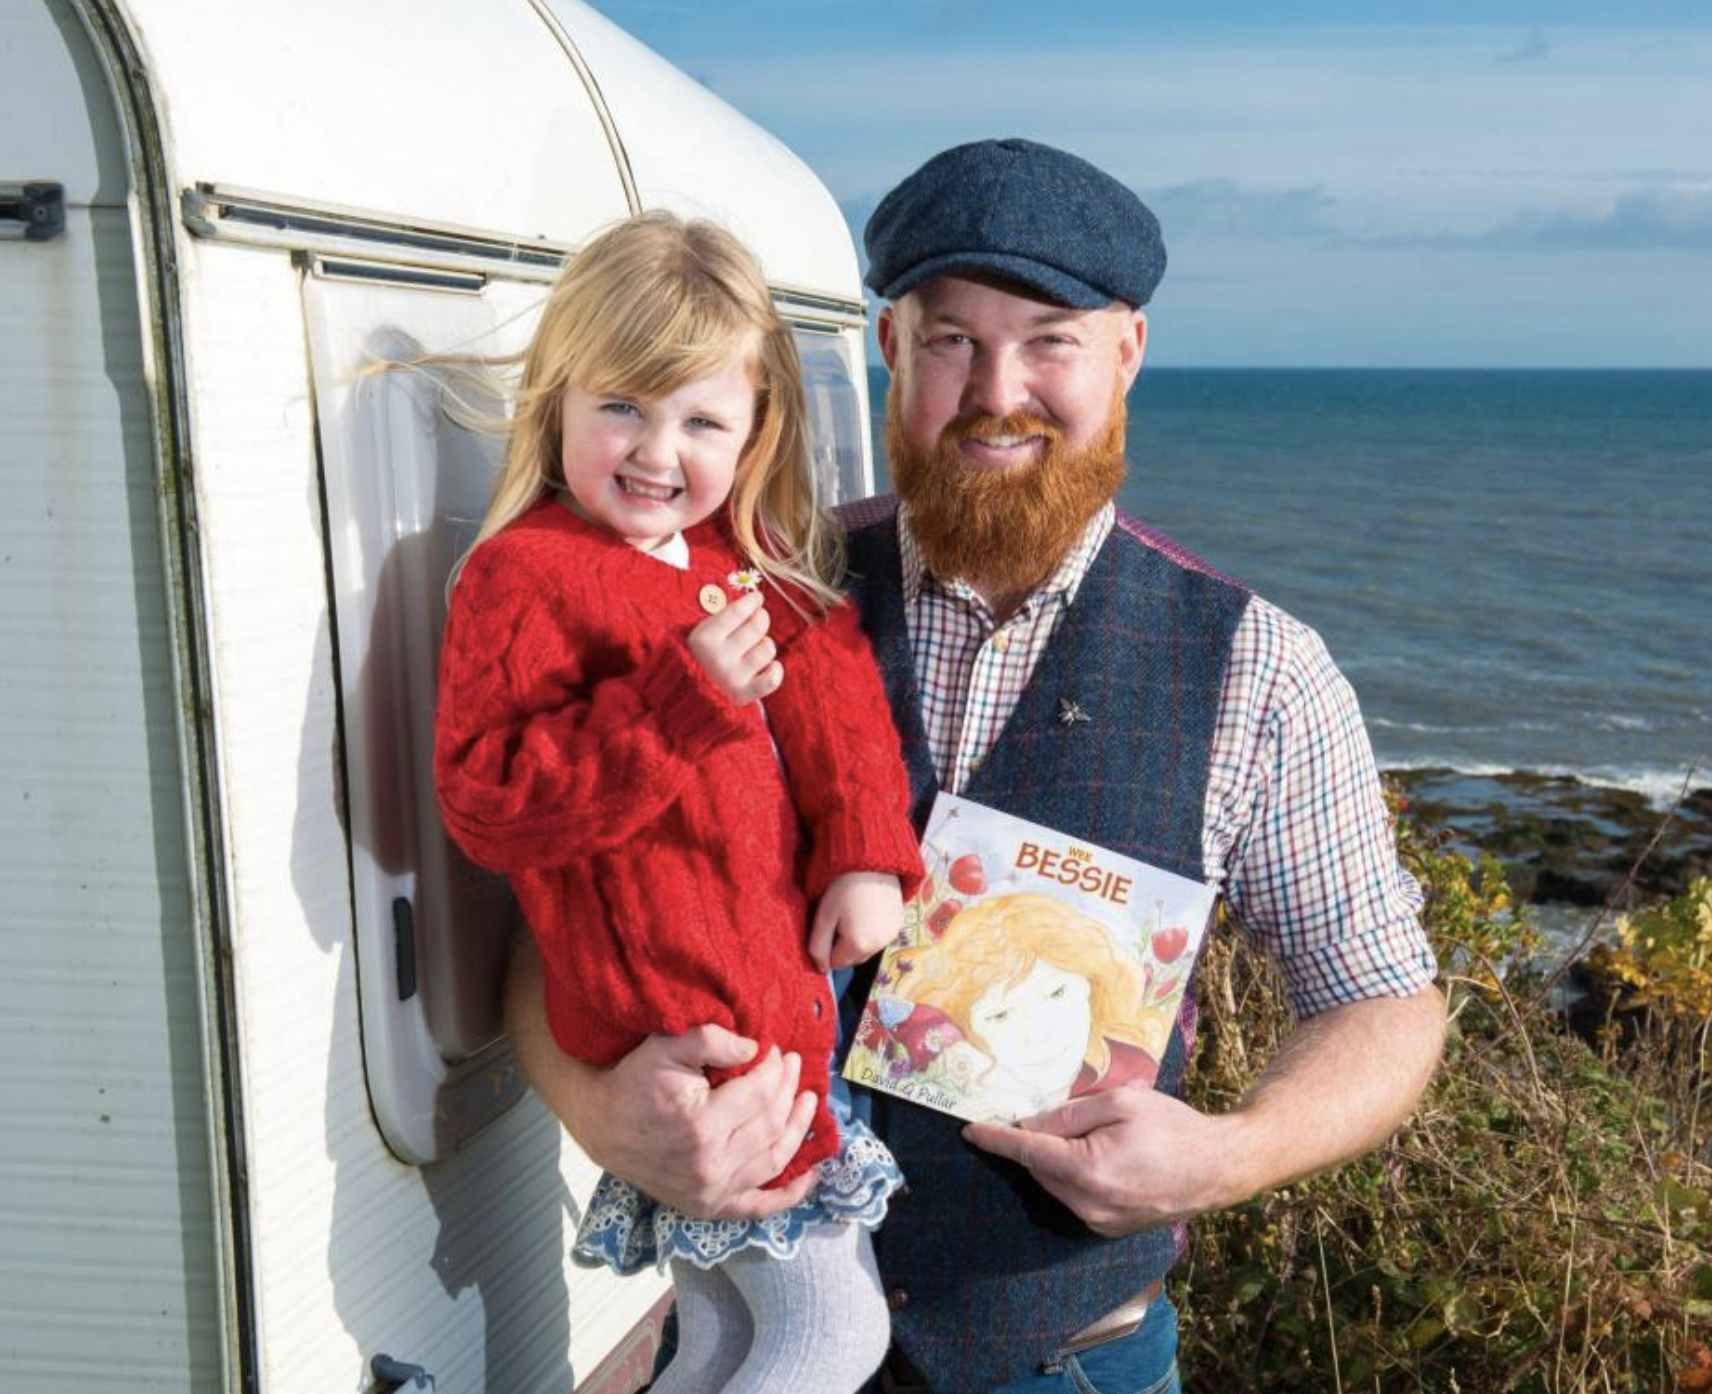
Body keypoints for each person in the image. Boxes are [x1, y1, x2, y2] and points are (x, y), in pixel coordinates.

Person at [505, 141, 1446, 1394]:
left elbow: (1382, 995)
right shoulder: (741, 602)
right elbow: (548, 907)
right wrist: (595, 1104)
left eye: (1049, 339)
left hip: (1068, 1364)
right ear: (890, 350)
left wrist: (1225, 1153)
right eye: (951, 340)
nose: (997, 389)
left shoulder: (1257, 671)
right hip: (746, 1342)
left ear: (1128, 354)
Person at [434, 211, 925, 1394]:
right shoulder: (526, 574)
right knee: (830, 1333)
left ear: (755, 428)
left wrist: (865, 853)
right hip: (690, 1031)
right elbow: (489, 801)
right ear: (559, 398)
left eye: (700, 419)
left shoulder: (737, 559)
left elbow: (839, 708)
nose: (658, 451)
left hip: (758, 1006)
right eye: (623, 407)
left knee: (719, 1335)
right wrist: (679, 698)